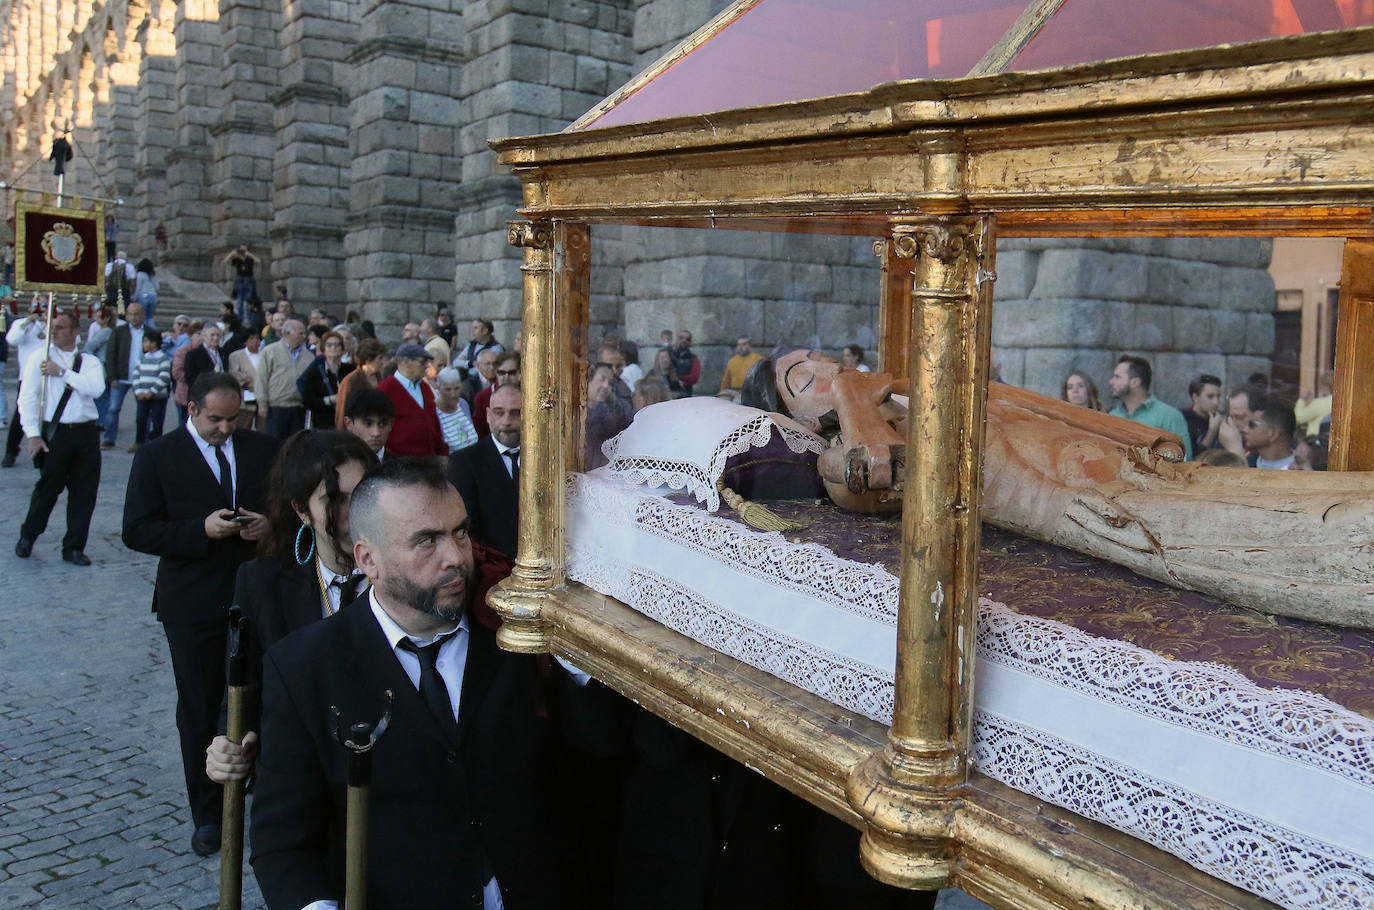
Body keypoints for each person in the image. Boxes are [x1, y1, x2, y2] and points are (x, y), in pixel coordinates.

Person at [249, 456, 600, 910]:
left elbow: (590, 758)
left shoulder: (512, 636)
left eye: (460, 531)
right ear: (367, 558)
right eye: (426, 541)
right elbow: (282, 840)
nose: (456, 557)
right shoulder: (304, 668)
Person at [121, 372, 278, 856]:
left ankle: (258, 786)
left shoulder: (262, 448)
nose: (226, 428)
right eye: (216, 420)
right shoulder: (157, 455)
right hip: (192, 603)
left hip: (256, 596)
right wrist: (198, 531)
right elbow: (137, 530)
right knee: (199, 705)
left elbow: (285, 507)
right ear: (192, 410)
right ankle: (207, 812)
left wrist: (268, 525)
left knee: (262, 697)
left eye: (235, 418)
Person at [204, 431, 378, 788]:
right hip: (305, 783)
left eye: (363, 495)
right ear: (301, 510)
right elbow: (243, 687)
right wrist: (228, 742)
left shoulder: (406, 574)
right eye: (335, 499)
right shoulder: (261, 584)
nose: (355, 513)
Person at [14, 311, 105, 565]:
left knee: (84, 492)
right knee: (46, 489)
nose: (54, 332)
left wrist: (63, 373)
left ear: (75, 332)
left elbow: (96, 388)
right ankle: (28, 536)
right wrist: (32, 435)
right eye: (52, 327)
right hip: (56, 434)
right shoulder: (39, 358)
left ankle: (74, 547)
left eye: (61, 328)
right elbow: (27, 398)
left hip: (86, 433)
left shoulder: (88, 361)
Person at [448, 383, 522, 558]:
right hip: (491, 570)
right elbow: (465, 528)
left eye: (515, 412)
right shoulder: (464, 462)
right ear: (488, 415)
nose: (506, 421)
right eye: (499, 412)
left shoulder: (546, 459)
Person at [1107, 355, 1192, 460]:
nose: (1111, 381)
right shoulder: (1113, 416)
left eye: (1117, 377)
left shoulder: (1170, 416)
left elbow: (1185, 460)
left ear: (1135, 382)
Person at [377, 341, 447, 457]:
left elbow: (434, 421)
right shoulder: (386, 389)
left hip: (428, 457)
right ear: (405, 362)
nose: (426, 365)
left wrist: (442, 451)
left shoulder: (424, 387)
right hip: (401, 459)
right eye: (422, 362)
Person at [4, 300, 47, 467]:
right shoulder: (21, 324)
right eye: (36, 306)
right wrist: (29, 321)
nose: (39, 309)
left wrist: (49, 324)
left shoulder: (53, 321)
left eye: (43, 306)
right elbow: (12, 339)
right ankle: (11, 451)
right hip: (27, 377)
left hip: (50, 374)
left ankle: (43, 450)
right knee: (20, 414)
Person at [102, 301, 150, 448]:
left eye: (136, 314)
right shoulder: (119, 331)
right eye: (130, 314)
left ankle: (142, 440)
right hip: (121, 376)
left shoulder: (149, 332)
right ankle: (109, 438)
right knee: (113, 408)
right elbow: (110, 354)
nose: (133, 317)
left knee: (143, 411)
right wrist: (112, 376)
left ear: (143, 314)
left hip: (141, 378)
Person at [256, 319, 313, 439]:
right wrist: (262, 404)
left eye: (304, 333)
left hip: (299, 407)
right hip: (276, 407)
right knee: (275, 443)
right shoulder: (270, 351)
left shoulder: (309, 356)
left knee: (296, 443)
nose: (304, 336)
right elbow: (261, 379)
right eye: (300, 333)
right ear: (287, 333)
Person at [299, 330, 355, 430]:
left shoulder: (350, 370)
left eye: (337, 345)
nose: (333, 348)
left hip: (347, 422)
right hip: (323, 422)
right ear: (324, 349)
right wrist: (329, 400)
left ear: (342, 349)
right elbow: (308, 401)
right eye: (329, 345)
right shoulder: (314, 372)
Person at [131, 328, 173, 448]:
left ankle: (156, 443)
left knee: (157, 419)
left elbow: (164, 377)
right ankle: (139, 441)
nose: (143, 344)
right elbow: (136, 375)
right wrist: (138, 391)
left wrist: (152, 391)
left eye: (146, 341)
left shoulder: (163, 358)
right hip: (142, 395)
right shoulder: (142, 358)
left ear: (154, 343)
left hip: (158, 396)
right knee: (140, 418)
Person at [586, 362, 632, 470]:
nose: (606, 386)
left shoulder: (615, 411)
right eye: (601, 379)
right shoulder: (575, 411)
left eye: (610, 383)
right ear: (587, 380)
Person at [333, 337, 387, 428]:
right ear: (368, 359)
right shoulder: (351, 380)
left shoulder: (380, 377)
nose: (383, 362)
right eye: (380, 358)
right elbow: (342, 413)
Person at [473, 351, 521, 438]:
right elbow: (480, 430)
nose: (506, 377)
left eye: (511, 372)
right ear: (496, 373)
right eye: (501, 372)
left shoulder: (529, 395)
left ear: (519, 373)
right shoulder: (482, 397)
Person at [1241, 398, 1298, 469]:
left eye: (1252, 425)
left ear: (1273, 433)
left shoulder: (1300, 469)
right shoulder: (1249, 461)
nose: (1245, 430)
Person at [435, 366, 480, 453]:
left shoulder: (463, 404)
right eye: (447, 389)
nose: (453, 394)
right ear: (439, 389)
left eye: (456, 388)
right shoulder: (433, 413)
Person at [343, 387, 397, 460]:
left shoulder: (402, 468)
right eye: (368, 424)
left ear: (391, 424)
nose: (376, 433)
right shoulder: (333, 465)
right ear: (349, 423)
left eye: (383, 424)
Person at [228, 329, 265, 431]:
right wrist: (249, 383)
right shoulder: (236, 356)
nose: (255, 341)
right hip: (245, 398)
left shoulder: (265, 355)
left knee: (263, 427)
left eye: (257, 338)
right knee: (243, 426)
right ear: (245, 341)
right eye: (251, 338)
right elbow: (234, 375)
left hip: (263, 397)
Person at [1181, 373, 1223, 457]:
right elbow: (1192, 457)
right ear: (1195, 397)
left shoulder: (1219, 420)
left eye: (1218, 397)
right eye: (1210, 396)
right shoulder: (1184, 420)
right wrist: (1212, 432)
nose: (1216, 402)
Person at [170, 321, 203, 426]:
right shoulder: (182, 352)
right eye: (198, 334)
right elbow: (176, 372)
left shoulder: (208, 352)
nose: (201, 337)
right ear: (191, 336)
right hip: (185, 393)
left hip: (203, 395)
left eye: (203, 334)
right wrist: (195, 379)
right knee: (184, 422)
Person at [183, 322, 227, 395]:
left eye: (218, 335)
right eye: (212, 335)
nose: (216, 338)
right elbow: (190, 379)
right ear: (204, 336)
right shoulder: (193, 354)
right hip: (202, 396)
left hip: (221, 395)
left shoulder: (224, 353)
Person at [1294, 371, 1334, 437]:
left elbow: (1298, 417)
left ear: (1324, 386)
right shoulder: (1339, 402)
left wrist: (1301, 400)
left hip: (1317, 440)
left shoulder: (1320, 403)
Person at [224, 245, 258, 319]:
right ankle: (240, 318)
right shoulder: (237, 260)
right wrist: (232, 254)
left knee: (249, 301)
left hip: (249, 280)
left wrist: (248, 254)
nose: (242, 251)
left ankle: (250, 318)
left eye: (244, 250)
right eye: (241, 249)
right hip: (240, 281)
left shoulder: (249, 259)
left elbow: (258, 261)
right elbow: (226, 261)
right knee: (240, 301)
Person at [668, 330, 702, 396]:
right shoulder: (668, 355)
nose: (684, 340)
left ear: (690, 342)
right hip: (667, 395)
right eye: (681, 338)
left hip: (685, 395)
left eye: (687, 339)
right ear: (677, 339)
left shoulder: (694, 359)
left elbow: (694, 378)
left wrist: (679, 377)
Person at [134, 258, 159, 327]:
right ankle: (152, 330)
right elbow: (157, 287)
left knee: (143, 316)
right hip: (153, 296)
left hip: (143, 295)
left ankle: (144, 331)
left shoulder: (140, 274)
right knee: (150, 317)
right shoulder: (152, 275)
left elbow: (138, 287)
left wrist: (135, 297)